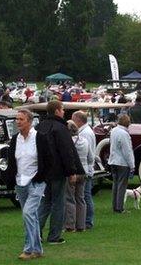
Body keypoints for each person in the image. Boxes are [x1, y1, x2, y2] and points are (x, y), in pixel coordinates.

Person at [4, 109, 50, 260]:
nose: (18, 122)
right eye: (17, 119)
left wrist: (41, 177)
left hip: (36, 182)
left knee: (28, 213)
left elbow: (49, 160)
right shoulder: (15, 138)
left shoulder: (40, 138)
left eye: (21, 119)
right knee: (32, 216)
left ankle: (28, 249)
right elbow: (12, 161)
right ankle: (38, 250)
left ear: (29, 122)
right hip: (20, 182)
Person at [37, 101, 84, 245]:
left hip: (43, 171)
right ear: (57, 111)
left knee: (44, 203)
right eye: (62, 109)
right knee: (58, 203)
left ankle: (35, 233)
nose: (64, 112)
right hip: (57, 172)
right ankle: (54, 236)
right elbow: (67, 151)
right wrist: (72, 171)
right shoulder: (61, 128)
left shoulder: (39, 127)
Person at [70, 111, 96, 230]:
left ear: (79, 121)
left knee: (84, 196)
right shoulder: (87, 132)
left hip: (82, 169)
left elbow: (88, 155)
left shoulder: (84, 134)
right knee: (83, 197)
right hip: (86, 168)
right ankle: (83, 222)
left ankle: (87, 220)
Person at [63, 120, 89, 232]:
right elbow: (91, 156)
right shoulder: (85, 140)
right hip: (84, 170)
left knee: (69, 198)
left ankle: (70, 225)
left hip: (73, 171)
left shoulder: (67, 142)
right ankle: (81, 225)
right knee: (80, 198)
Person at [108, 114, 134, 213]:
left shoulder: (113, 131)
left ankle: (115, 206)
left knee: (115, 184)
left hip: (113, 161)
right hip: (122, 163)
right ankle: (120, 207)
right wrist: (132, 165)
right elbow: (127, 151)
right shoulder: (124, 134)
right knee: (122, 185)